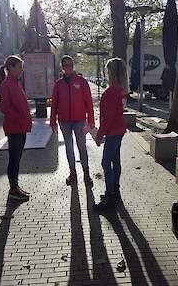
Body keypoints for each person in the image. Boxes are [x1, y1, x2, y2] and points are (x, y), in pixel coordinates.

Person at [50, 55, 94, 187]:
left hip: (79, 120)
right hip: (64, 121)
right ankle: (73, 173)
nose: (68, 68)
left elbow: (89, 102)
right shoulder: (58, 84)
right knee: (69, 148)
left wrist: (91, 120)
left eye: (70, 65)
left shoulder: (81, 81)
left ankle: (86, 174)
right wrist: (53, 121)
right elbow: (54, 104)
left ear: (73, 66)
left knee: (82, 146)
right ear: (62, 67)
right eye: (65, 66)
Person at [94, 58, 129, 211]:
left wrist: (99, 135)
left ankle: (110, 195)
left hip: (113, 131)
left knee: (106, 162)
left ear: (111, 72)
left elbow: (107, 118)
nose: (106, 73)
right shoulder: (121, 90)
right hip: (119, 130)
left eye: (107, 70)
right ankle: (115, 190)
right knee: (115, 161)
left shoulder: (110, 92)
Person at [0, 55, 32, 201]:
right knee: (14, 159)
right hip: (15, 128)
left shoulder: (15, 83)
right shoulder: (7, 84)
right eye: (19, 67)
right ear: (11, 68)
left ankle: (15, 186)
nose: (21, 70)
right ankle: (13, 189)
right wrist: (20, 119)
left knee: (17, 159)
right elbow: (5, 107)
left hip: (20, 127)